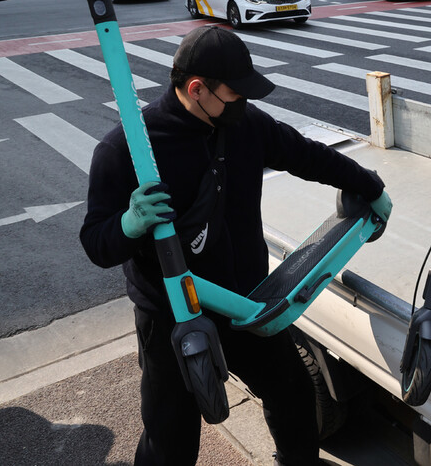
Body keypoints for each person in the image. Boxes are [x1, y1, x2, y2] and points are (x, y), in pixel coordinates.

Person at [80, 26, 391, 466]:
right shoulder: (129, 150)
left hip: (245, 303)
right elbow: (96, 244)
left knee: (294, 393)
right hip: (173, 316)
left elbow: (307, 155)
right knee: (170, 438)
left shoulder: (245, 126)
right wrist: (129, 225)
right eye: (234, 94)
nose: (242, 104)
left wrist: (369, 185)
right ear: (196, 88)